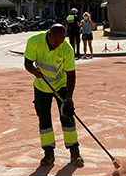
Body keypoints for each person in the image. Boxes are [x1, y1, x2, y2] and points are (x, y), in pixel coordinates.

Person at [23, 24, 83, 168]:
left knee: (67, 116)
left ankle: (75, 152)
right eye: (55, 42)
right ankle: (48, 153)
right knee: (44, 120)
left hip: (61, 85)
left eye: (60, 42)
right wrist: (34, 71)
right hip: (41, 86)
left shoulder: (66, 48)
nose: (57, 45)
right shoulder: (34, 41)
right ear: (48, 34)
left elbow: (71, 74)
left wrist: (69, 98)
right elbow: (27, 63)